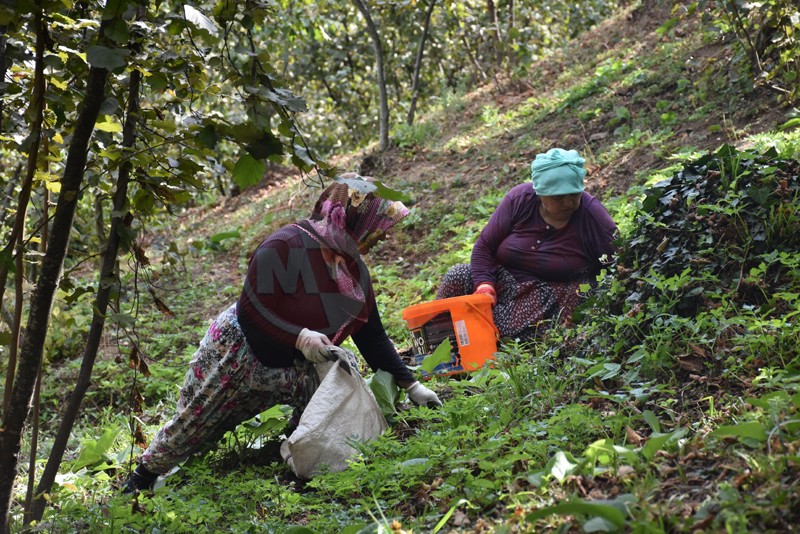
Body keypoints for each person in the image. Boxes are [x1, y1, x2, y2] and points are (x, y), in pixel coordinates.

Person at [123, 174, 441, 493]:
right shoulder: (288, 244)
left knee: (338, 376)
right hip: (238, 353)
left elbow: (371, 337)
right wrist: (300, 336)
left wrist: (411, 385)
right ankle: (141, 480)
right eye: (377, 226)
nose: (382, 237)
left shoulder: (353, 273)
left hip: (290, 367)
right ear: (352, 218)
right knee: (195, 426)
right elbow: (253, 308)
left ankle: (299, 456)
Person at [437, 148, 618, 340]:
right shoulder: (520, 199)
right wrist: (484, 284)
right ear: (540, 193)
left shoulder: (592, 215)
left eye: (574, 195)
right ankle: (437, 343)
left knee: (508, 323)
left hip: (550, 294)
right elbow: (485, 246)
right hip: (504, 281)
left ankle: (476, 341)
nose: (568, 202)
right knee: (456, 276)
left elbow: (618, 262)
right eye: (558, 197)